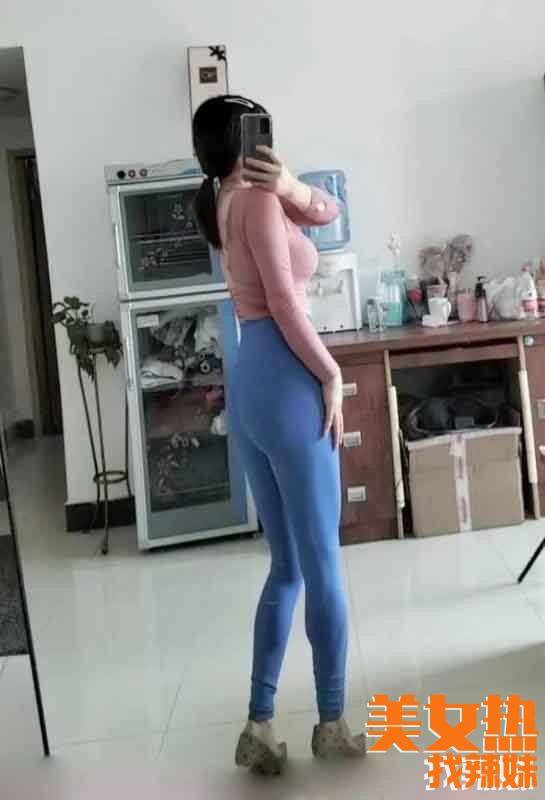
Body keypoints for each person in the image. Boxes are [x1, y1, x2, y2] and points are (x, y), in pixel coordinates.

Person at [192, 95, 365, 775]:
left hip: (252, 383)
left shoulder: (225, 199)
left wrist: (291, 184)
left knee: (286, 566)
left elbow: (329, 211)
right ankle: (332, 723)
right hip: (289, 381)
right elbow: (288, 304)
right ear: (244, 139)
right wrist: (329, 374)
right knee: (322, 565)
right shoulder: (258, 203)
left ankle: (259, 724)